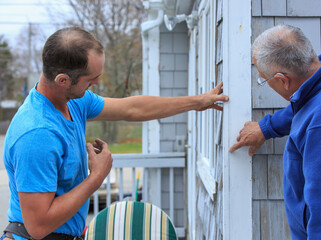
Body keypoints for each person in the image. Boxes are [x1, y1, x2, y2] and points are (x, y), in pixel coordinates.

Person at [1, 27, 229, 240]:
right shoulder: (36, 135)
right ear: (63, 80)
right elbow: (38, 226)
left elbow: (132, 108)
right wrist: (97, 177)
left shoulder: (72, 102)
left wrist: (198, 102)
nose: (97, 82)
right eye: (91, 79)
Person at [230, 25, 321, 239]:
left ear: (283, 80)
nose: (265, 83)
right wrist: (267, 127)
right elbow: (308, 105)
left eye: (264, 79)